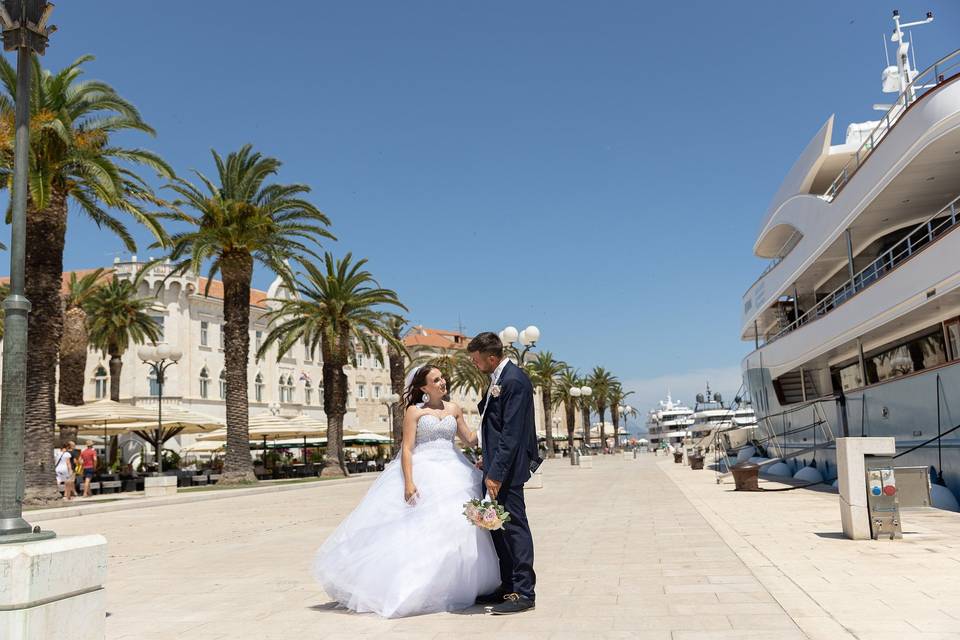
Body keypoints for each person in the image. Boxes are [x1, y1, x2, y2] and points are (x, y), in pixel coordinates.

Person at [313, 365, 499, 618]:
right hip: (425, 470)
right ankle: (419, 585)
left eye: (442, 378)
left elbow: (469, 439)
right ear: (424, 387)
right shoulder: (414, 411)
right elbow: (408, 449)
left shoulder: (454, 408)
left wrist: (492, 419)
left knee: (458, 527)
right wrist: (409, 482)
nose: (442, 382)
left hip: (455, 470)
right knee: (421, 529)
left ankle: (457, 583)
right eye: (436, 379)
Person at [469, 331, 541, 615]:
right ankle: (508, 584)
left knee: (514, 528)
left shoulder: (514, 380)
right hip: (497, 465)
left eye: (476, 360)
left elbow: (512, 433)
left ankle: (525, 592)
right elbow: (496, 429)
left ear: (491, 357)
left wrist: (496, 472)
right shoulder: (498, 379)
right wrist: (487, 461)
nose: (475, 364)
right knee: (496, 527)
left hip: (508, 471)